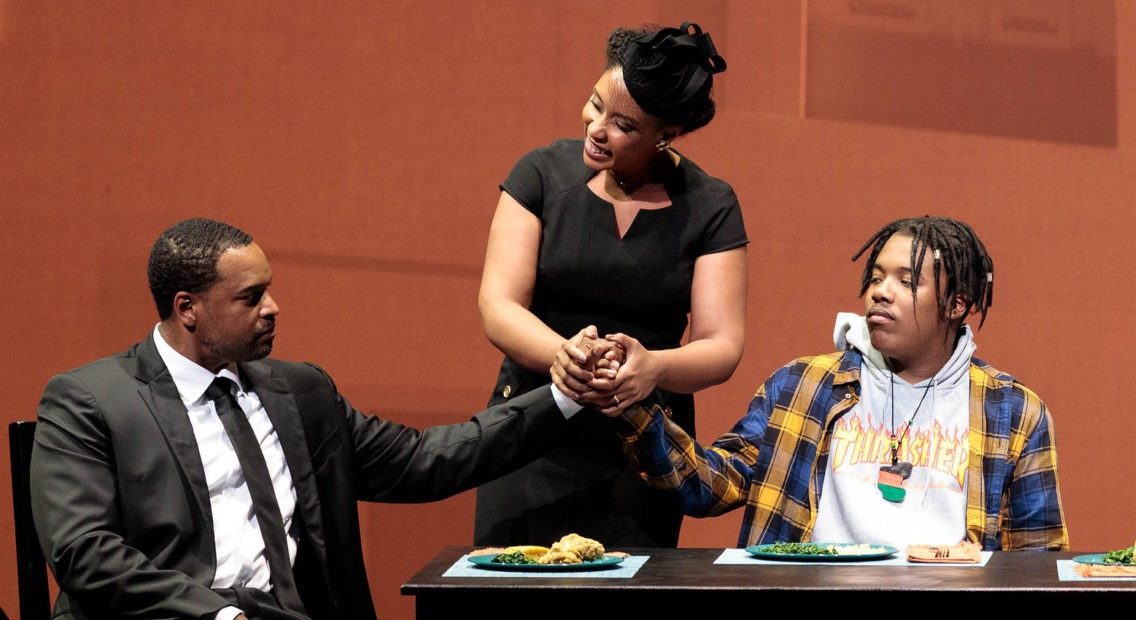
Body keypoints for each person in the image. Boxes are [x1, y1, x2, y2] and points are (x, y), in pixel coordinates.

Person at [29, 218, 591, 620]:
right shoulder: (90, 401)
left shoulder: (300, 391)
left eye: (269, 290)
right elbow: (85, 551)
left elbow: (424, 460)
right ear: (187, 309)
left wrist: (565, 394)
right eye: (251, 298)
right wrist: (218, 616)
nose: (273, 307)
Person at [602, 216, 1068, 551]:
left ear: (956, 305)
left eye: (906, 281)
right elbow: (708, 486)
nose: (880, 291)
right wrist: (635, 405)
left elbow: (1035, 559)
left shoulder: (1013, 412)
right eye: (876, 276)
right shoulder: (802, 387)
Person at [474, 21, 749, 548]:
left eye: (622, 123)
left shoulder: (710, 205)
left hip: (646, 446)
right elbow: (498, 303)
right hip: (532, 431)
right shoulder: (540, 174)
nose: (596, 127)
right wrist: (566, 357)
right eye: (594, 104)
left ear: (665, 132)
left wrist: (654, 368)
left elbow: (722, 344)